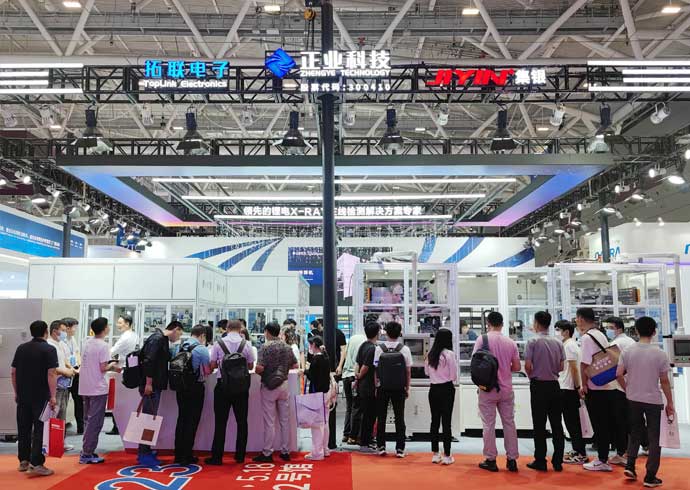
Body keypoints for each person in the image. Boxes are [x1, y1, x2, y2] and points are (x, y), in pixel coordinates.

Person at [618, 316, 675, 488]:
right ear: (654, 332)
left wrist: (627, 389)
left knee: (635, 432)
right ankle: (650, 476)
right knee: (654, 437)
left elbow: (618, 374)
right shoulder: (660, 353)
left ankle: (630, 466)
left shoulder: (628, 351)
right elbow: (664, 381)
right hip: (653, 400)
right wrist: (670, 403)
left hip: (633, 398)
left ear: (636, 330)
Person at [473, 311, 521, 473]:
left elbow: (475, 362)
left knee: (488, 424)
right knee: (509, 423)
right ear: (502, 324)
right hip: (506, 389)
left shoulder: (482, 339)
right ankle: (512, 460)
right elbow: (517, 367)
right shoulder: (511, 342)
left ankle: (491, 459)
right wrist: (504, 368)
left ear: (488, 323)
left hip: (487, 389)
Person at [11, 320, 58, 477]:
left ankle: (23, 461)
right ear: (46, 332)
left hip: (23, 395)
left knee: (23, 428)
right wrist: (53, 396)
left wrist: (16, 392)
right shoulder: (49, 349)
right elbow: (51, 373)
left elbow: (13, 372)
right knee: (39, 429)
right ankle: (36, 463)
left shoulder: (21, 348)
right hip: (41, 396)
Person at [206, 320, 255, 466]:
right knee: (242, 422)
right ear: (240, 329)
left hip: (223, 387)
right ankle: (240, 456)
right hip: (241, 388)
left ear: (227, 329)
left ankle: (217, 457)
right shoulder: (247, 344)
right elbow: (250, 365)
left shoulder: (218, 344)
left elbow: (212, 365)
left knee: (220, 423)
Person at [137, 320, 184, 466]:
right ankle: (143, 453)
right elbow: (149, 361)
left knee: (150, 419)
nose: (178, 337)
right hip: (151, 385)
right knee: (148, 420)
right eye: (180, 334)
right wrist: (149, 383)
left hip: (155, 385)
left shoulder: (161, 339)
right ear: (175, 329)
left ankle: (146, 450)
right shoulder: (157, 339)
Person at [524, 311, 565, 472]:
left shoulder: (532, 341)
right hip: (554, 385)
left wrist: (532, 376)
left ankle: (540, 460)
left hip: (538, 386)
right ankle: (558, 461)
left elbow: (528, 366)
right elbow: (561, 367)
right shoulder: (558, 342)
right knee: (557, 424)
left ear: (536, 323)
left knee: (539, 424)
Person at [578, 307, 617, 472]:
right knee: (605, 424)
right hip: (607, 384)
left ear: (581, 319)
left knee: (599, 424)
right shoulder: (600, 334)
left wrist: (583, 384)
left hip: (595, 386)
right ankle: (604, 457)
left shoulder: (587, 338)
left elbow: (584, 364)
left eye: (577, 318)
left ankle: (602, 459)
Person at [254, 321, 298, 463]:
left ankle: (267, 452)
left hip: (269, 387)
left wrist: (259, 369)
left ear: (267, 332)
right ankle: (285, 451)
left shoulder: (265, 347)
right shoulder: (287, 347)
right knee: (285, 420)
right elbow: (295, 364)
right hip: (284, 385)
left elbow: (259, 368)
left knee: (270, 421)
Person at [79, 317, 119, 465]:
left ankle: (86, 449)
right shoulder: (103, 345)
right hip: (97, 388)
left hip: (85, 386)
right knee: (95, 422)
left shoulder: (87, 342)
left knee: (88, 420)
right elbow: (103, 368)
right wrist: (113, 365)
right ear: (104, 329)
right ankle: (87, 453)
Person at [374, 321, 412, 458]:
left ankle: (381, 446)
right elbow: (408, 371)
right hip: (399, 388)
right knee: (399, 417)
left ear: (386, 333)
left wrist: (376, 386)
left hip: (383, 387)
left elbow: (375, 370)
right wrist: (407, 387)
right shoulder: (404, 349)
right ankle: (400, 449)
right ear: (399, 333)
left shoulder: (379, 349)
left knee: (381, 417)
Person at [173, 325, 210, 465]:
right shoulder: (201, 349)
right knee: (192, 421)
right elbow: (206, 371)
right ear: (202, 335)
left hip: (181, 387)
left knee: (181, 418)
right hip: (195, 388)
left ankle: (178, 454)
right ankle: (187, 455)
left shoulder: (180, 346)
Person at [555, 320, 588, 465]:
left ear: (566, 331)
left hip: (569, 388)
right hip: (567, 387)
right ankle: (577, 449)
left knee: (572, 422)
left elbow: (574, 368)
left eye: (558, 329)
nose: (556, 332)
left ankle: (581, 453)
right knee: (571, 422)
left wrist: (577, 387)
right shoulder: (569, 345)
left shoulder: (569, 346)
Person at [605, 316, 636, 466]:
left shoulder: (615, 344)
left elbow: (613, 369)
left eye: (609, 328)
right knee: (631, 421)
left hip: (619, 387)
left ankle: (621, 453)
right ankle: (631, 450)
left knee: (620, 422)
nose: (608, 330)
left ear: (618, 328)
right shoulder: (631, 342)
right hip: (632, 386)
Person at [424, 328, 457, 465]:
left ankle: (435, 454)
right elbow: (454, 375)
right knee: (446, 422)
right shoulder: (449, 354)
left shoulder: (430, 354)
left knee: (435, 421)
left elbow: (426, 372)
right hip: (447, 389)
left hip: (433, 389)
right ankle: (447, 455)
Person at [108, 314, 139, 436]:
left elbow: (112, 351)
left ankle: (117, 426)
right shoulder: (134, 335)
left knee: (119, 400)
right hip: (130, 369)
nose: (118, 325)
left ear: (127, 324)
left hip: (123, 370)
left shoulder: (125, 337)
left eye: (120, 323)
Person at [47, 319, 75, 451]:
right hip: (55, 386)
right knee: (54, 415)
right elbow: (52, 368)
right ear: (54, 331)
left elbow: (64, 361)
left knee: (61, 415)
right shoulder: (50, 345)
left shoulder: (60, 344)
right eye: (63, 330)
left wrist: (71, 369)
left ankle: (59, 442)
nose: (65, 333)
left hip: (64, 385)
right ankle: (50, 442)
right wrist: (66, 372)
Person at [305, 336, 332, 461]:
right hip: (325, 393)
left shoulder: (316, 359)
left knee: (316, 425)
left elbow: (312, 376)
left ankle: (317, 453)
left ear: (314, 345)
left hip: (316, 394)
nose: (309, 347)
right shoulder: (326, 357)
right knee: (325, 423)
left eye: (310, 345)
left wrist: (305, 371)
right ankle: (325, 449)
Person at [355, 321, 379, 454]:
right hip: (369, 386)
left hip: (362, 385)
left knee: (365, 414)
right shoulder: (373, 349)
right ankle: (365, 442)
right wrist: (360, 375)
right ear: (377, 333)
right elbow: (366, 366)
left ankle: (366, 441)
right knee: (370, 416)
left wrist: (357, 377)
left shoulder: (363, 345)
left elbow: (357, 363)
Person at [342, 330, 366, 445]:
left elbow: (345, 353)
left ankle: (346, 434)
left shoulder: (352, 338)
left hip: (346, 375)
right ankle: (354, 436)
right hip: (354, 376)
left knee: (349, 407)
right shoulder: (365, 342)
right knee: (357, 408)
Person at [63, 317, 83, 435]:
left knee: (79, 400)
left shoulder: (72, 339)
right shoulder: (61, 341)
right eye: (74, 327)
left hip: (76, 372)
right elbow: (63, 359)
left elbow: (77, 353)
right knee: (63, 401)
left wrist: (79, 366)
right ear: (68, 328)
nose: (75, 329)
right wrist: (72, 369)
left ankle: (81, 426)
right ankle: (61, 430)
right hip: (65, 373)